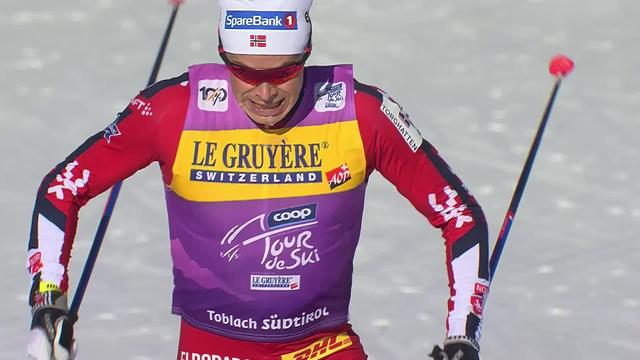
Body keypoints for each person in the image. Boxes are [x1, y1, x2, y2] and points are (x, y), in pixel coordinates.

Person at [26, 0, 490, 359]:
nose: (265, 93)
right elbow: (61, 190)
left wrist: (461, 334)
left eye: (284, 72)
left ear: (307, 53)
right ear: (223, 55)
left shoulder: (361, 113)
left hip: (321, 346)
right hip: (212, 348)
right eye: (243, 73)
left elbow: (461, 217)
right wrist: (49, 299)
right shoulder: (173, 112)